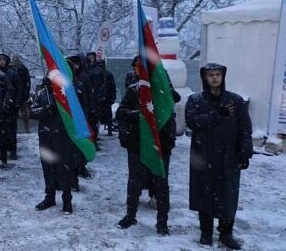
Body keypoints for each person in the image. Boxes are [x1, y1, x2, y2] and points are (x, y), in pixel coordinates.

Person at [185, 63, 253, 249]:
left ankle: (226, 233)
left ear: (223, 77)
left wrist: (244, 154)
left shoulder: (235, 101)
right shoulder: (195, 100)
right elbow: (192, 122)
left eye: (217, 74)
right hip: (203, 155)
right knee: (203, 194)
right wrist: (216, 114)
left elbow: (245, 129)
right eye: (210, 75)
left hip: (228, 157)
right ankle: (206, 232)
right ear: (204, 78)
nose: (214, 78)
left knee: (227, 195)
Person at [116, 56, 180, 235]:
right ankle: (130, 215)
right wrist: (139, 117)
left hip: (160, 145)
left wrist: (169, 142)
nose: (141, 71)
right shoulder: (133, 90)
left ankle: (162, 222)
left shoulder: (164, 90)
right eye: (137, 68)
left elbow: (172, 109)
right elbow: (121, 113)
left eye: (144, 67)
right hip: (137, 144)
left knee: (161, 184)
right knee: (134, 182)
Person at [31, 76, 79, 215]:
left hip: (63, 137)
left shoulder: (68, 93)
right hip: (46, 136)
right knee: (47, 168)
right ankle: (49, 197)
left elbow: (76, 114)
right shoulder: (42, 93)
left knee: (64, 168)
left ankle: (67, 200)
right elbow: (33, 112)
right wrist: (47, 108)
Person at [0, 53, 21, 160]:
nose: (1, 62)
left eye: (3, 60)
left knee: (11, 130)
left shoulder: (13, 73)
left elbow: (18, 89)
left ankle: (12, 150)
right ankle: (2, 150)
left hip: (11, 106)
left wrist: (16, 103)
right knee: (0, 130)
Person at [12, 55, 31, 134]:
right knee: (12, 114)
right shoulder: (11, 69)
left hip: (23, 95)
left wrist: (26, 95)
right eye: (14, 60)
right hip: (13, 96)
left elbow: (28, 82)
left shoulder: (24, 69)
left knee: (24, 114)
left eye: (17, 60)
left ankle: (27, 129)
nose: (16, 61)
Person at [98, 60, 116, 136]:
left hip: (101, 98)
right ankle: (109, 130)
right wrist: (112, 97)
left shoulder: (98, 74)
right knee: (108, 115)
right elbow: (113, 87)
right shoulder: (108, 74)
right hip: (107, 98)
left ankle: (106, 129)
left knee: (99, 115)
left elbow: (112, 87)